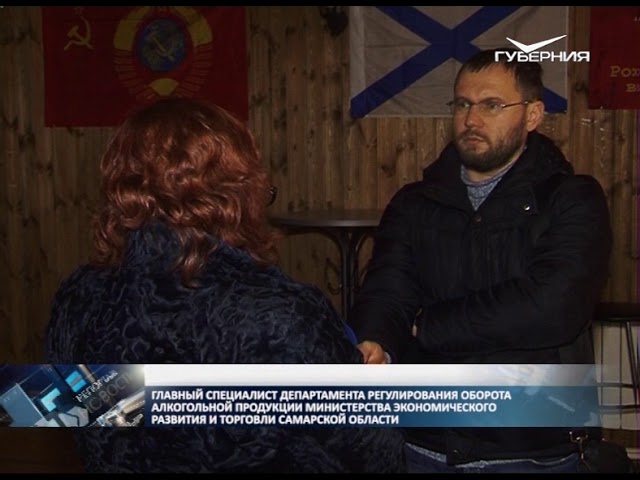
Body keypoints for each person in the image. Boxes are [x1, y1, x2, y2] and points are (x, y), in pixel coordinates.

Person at [44, 97, 405, 473]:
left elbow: (72, 412)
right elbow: (376, 456)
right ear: (238, 194)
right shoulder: (280, 316)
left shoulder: (77, 296)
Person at [349, 48, 613, 473]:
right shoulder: (414, 203)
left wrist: (427, 325)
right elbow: (387, 290)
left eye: (491, 105)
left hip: (533, 449)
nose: (471, 119)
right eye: (462, 104)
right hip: (422, 443)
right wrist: (375, 341)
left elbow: (551, 308)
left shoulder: (573, 199)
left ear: (532, 115)